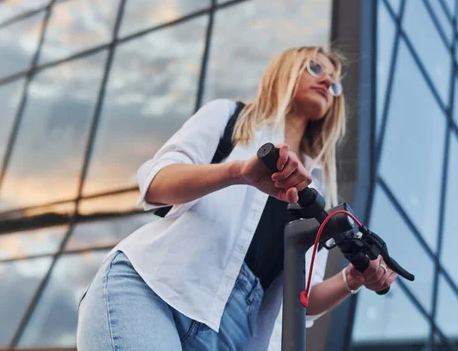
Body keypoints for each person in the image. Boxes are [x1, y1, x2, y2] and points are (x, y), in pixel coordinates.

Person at [76, 46, 397, 350]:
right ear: (285, 71)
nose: (328, 81)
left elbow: (301, 298)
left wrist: (351, 279)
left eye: (335, 83)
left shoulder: (317, 192)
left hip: (230, 337)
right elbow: (155, 183)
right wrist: (238, 172)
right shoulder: (232, 119)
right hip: (152, 292)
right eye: (315, 68)